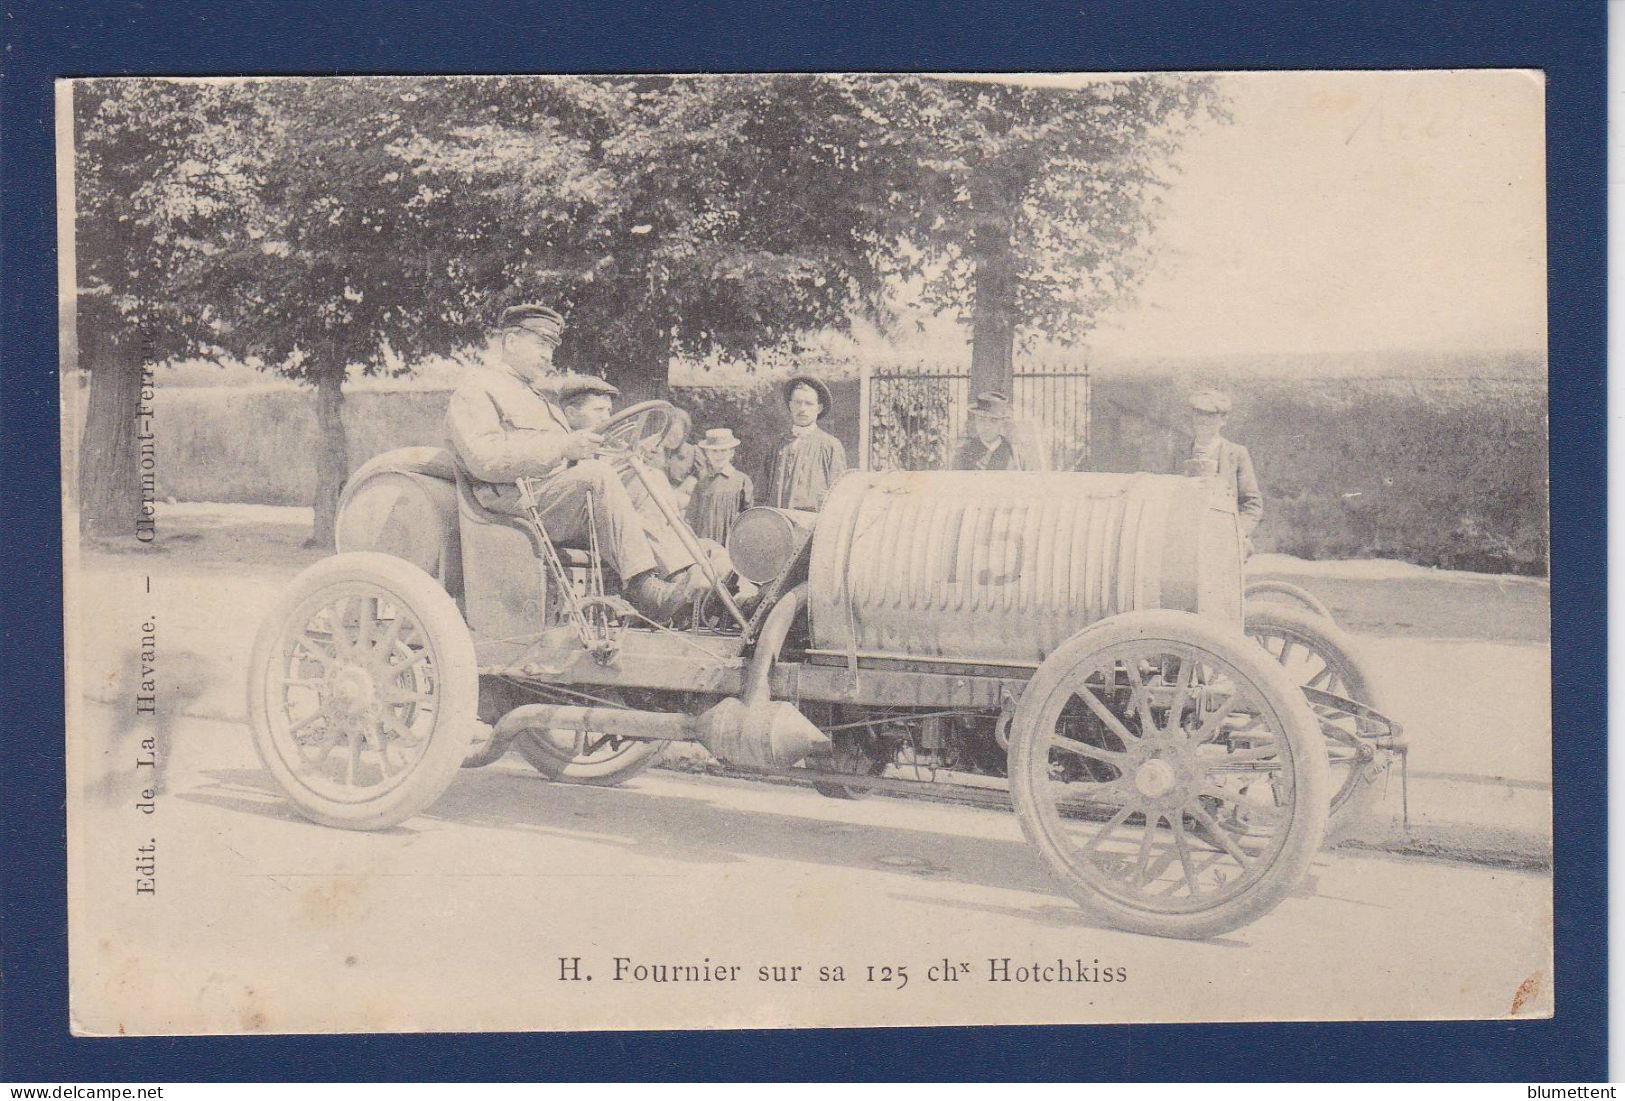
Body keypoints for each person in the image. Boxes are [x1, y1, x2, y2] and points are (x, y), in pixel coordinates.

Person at [443, 304, 715, 621]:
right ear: (511, 341)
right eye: (540, 344)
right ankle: (643, 588)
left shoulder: (540, 399)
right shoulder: (476, 389)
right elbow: (484, 459)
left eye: (551, 347)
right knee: (597, 477)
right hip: (512, 499)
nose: (548, 355)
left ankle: (682, 578)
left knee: (643, 478)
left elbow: (569, 460)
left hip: (552, 495)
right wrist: (564, 447)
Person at [1184, 388, 1264, 548]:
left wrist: (1238, 532)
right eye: (1199, 413)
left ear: (1223, 420)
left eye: (1210, 415)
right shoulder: (1180, 452)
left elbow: (1252, 504)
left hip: (1223, 539)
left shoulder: (1237, 454)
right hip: (1186, 538)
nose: (1203, 420)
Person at [768, 375, 847, 511]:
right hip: (779, 523)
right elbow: (761, 493)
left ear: (819, 408)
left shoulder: (830, 445)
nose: (802, 409)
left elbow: (839, 495)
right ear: (790, 405)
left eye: (809, 403)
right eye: (798, 403)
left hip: (813, 524)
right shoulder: (778, 445)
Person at [686, 428, 755, 544]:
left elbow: (749, 516)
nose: (719, 455)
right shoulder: (702, 484)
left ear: (731, 453)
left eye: (723, 451)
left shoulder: (741, 480)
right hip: (706, 542)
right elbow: (691, 519)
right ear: (707, 453)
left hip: (732, 541)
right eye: (714, 451)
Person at [949, 391, 1024, 471]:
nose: (987, 426)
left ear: (1002, 422)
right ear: (975, 420)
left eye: (993, 420)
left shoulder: (1014, 453)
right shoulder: (963, 453)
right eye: (981, 420)